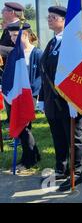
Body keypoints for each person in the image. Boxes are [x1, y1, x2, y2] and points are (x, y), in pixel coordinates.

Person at [38, 6, 82, 191]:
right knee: (57, 135)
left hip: (69, 99)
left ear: (65, 21)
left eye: (54, 17)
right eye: (48, 17)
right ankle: (62, 167)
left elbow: (81, 71)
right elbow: (44, 73)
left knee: (74, 137)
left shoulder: (73, 42)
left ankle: (78, 172)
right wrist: (42, 98)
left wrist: (76, 98)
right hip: (52, 99)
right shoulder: (51, 42)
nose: (49, 19)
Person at [5, 22, 42, 171]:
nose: (13, 39)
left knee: (24, 126)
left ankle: (29, 160)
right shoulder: (14, 53)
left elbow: (41, 75)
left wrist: (36, 94)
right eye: (11, 36)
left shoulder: (37, 53)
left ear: (25, 35)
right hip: (16, 94)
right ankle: (34, 154)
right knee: (20, 127)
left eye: (15, 35)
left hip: (30, 94)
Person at [1, 2, 25, 125]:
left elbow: (22, 50)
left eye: (4, 10)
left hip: (16, 67)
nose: (1, 12)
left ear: (12, 13)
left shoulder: (20, 27)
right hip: (6, 66)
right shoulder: (9, 27)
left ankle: (14, 121)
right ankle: (10, 119)